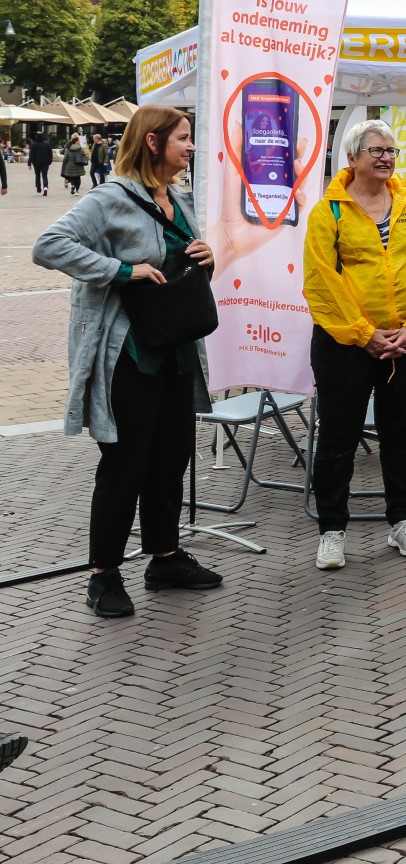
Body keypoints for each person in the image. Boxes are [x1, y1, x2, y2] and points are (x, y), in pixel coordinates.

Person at [32, 105, 223, 618]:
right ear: (154, 143)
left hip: (177, 348)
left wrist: (206, 255)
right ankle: (104, 574)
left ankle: (164, 558)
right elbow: (48, 246)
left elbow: (179, 259)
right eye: (184, 138)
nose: (191, 147)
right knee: (125, 464)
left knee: (172, 458)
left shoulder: (179, 198)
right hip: (129, 355)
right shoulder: (109, 199)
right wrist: (120, 269)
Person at [303, 119, 406, 570]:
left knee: (400, 432)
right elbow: (322, 282)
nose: (386, 157)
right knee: (338, 437)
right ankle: (331, 530)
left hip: (405, 340)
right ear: (352, 158)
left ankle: (402, 520)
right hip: (345, 345)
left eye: (391, 151)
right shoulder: (330, 212)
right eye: (376, 150)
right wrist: (365, 335)